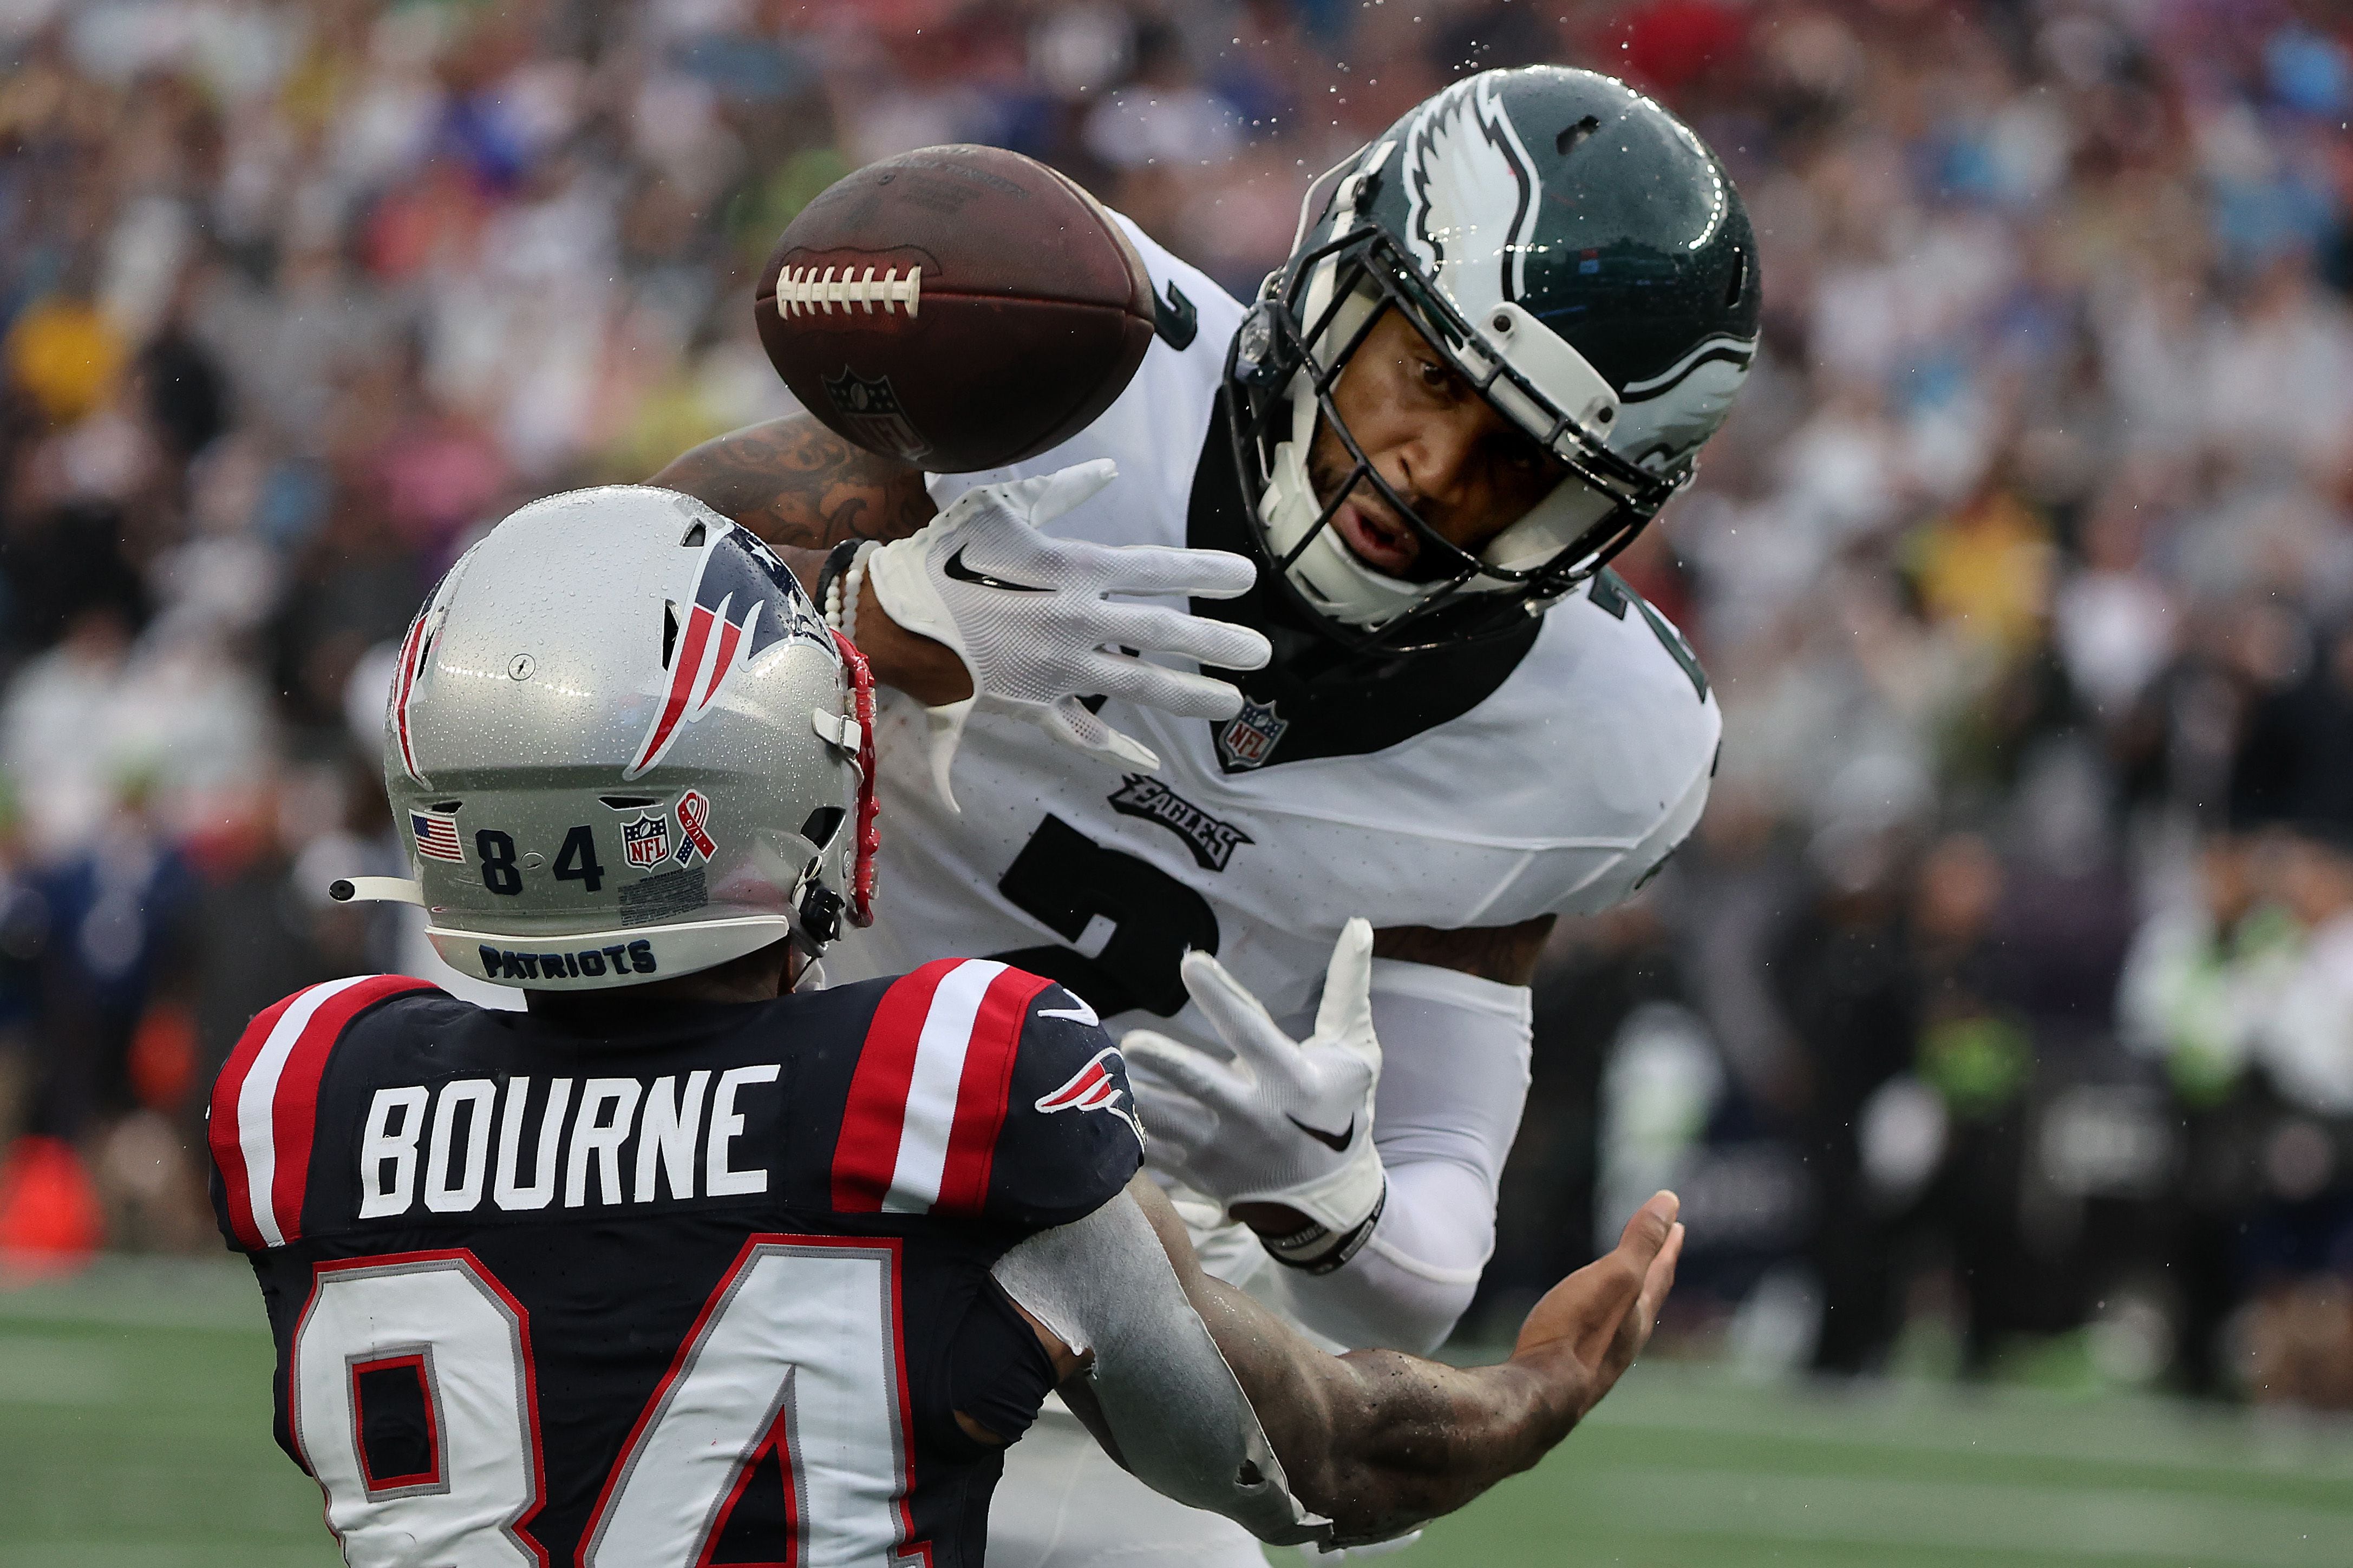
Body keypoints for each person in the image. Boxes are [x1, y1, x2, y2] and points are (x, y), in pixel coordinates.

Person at [656, 66, 1753, 1564]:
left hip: (1118, 1291)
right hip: (746, 1150)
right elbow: (589, 635)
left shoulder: (1588, 743)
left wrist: (1324, 1195)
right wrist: (875, 620)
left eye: (1518, 462)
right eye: (1429, 380)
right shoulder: (1065, 358)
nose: (1431, 469)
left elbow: (1424, 1261)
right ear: (1334, 288)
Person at [205, 487, 1685, 1567]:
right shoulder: (941, 1083)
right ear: (779, 789)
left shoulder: (301, 1092)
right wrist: (1541, 1386)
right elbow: (1321, 1460)